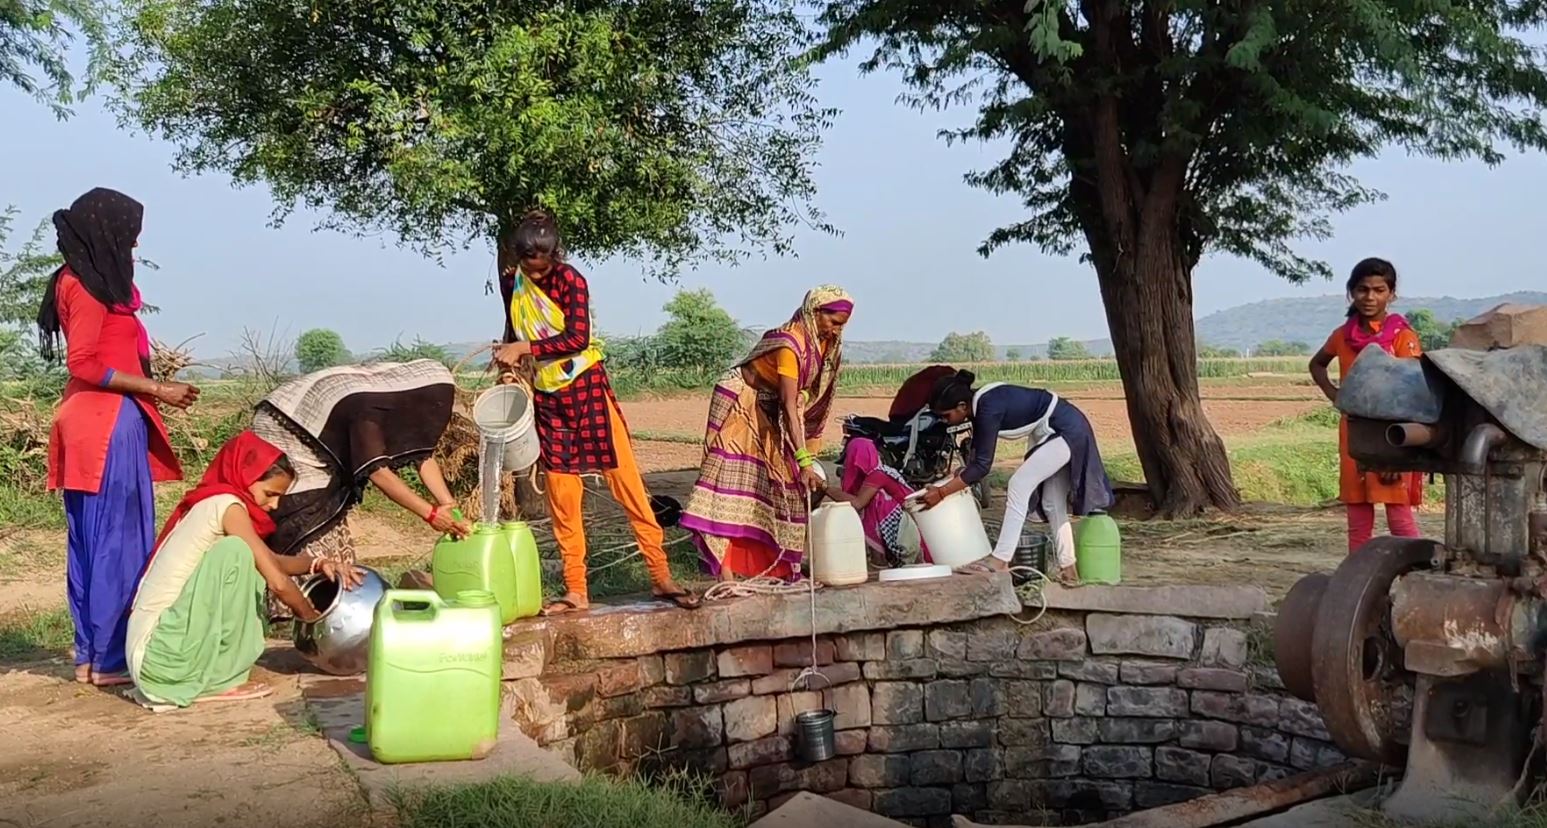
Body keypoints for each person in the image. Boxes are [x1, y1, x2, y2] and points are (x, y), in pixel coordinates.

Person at [492, 210, 697, 614]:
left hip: (587, 391)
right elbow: (514, 331)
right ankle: (576, 590)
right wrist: (508, 359)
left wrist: (526, 350)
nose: (536, 272)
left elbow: (577, 336)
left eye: (543, 263)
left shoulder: (570, 281)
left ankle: (660, 576)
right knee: (563, 498)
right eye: (528, 264)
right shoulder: (512, 283)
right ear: (518, 258)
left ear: (554, 255)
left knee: (629, 489)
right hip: (549, 399)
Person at [37, 188, 200, 687]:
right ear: (104, 234)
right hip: (105, 425)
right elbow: (84, 363)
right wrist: (158, 388)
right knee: (117, 544)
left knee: (92, 543)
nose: (130, 249)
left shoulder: (85, 282)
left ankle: (92, 656)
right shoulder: (85, 289)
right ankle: (110, 659)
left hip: (92, 422)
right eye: (127, 239)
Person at [127, 432, 361, 706]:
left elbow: (270, 559)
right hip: (162, 661)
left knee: (244, 554)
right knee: (236, 552)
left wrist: (319, 563)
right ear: (246, 476)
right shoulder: (227, 505)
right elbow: (277, 581)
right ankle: (221, 679)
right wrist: (313, 619)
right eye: (270, 494)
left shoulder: (217, 504)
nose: (273, 505)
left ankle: (213, 671)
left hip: (155, 660)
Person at [252, 359, 471, 619]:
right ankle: (294, 610)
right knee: (309, 517)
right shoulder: (368, 409)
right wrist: (431, 515)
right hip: (289, 426)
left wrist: (448, 503)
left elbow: (422, 453)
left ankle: (330, 608)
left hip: (321, 441)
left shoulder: (405, 403)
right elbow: (378, 472)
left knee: (331, 521)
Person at [680, 286, 854, 581]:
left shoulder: (825, 347)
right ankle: (726, 577)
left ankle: (776, 571)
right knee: (732, 478)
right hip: (742, 400)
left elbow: (807, 399)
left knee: (783, 486)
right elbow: (788, 402)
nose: (837, 331)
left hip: (770, 406)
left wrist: (806, 459)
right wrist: (803, 459)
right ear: (815, 313)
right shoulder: (790, 345)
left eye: (842, 325)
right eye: (833, 322)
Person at [920, 370, 1114, 583]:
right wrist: (952, 481)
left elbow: (982, 467)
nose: (945, 421)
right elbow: (975, 462)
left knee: (1018, 485)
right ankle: (1069, 571)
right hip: (1051, 430)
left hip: (1064, 428)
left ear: (962, 406)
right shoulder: (980, 407)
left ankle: (1000, 559)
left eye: (946, 416)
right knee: (1051, 503)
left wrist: (942, 492)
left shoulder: (988, 408)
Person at [1309, 257, 1424, 553]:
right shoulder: (1342, 336)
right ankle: (1357, 582)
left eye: (1379, 290)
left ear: (1391, 294)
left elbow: (1413, 391)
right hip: (1355, 432)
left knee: (1399, 516)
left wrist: (1395, 457)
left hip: (1393, 434)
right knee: (1358, 516)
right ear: (1352, 292)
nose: (1370, 297)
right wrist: (1334, 394)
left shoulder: (1402, 337)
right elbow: (1317, 364)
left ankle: (1418, 576)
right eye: (1363, 290)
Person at [825, 438, 928, 567]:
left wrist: (825, 488)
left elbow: (858, 503)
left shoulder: (877, 475)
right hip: (908, 518)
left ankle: (879, 558)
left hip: (910, 522)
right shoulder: (874, 473)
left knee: (874, 503)